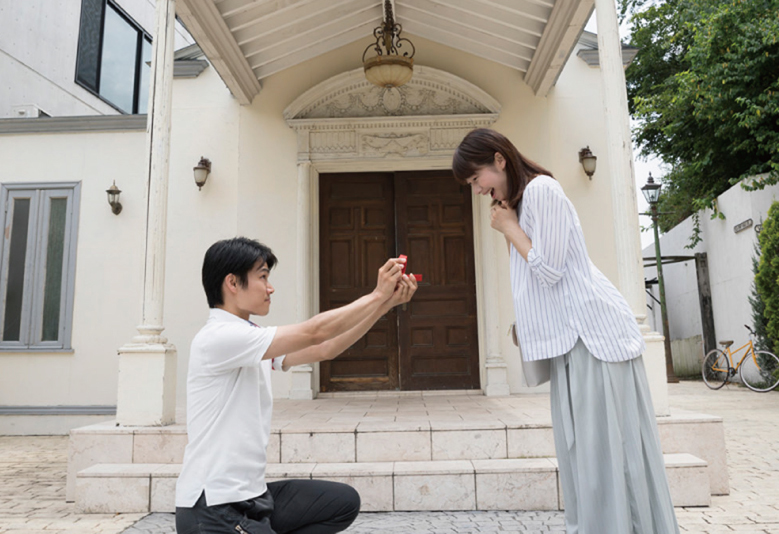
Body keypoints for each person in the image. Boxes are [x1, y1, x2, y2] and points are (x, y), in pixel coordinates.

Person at [452, 128, 680, 534]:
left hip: (595, 337)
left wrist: (509, 228)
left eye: (475, 179)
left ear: (499, 160)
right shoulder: (519, 206)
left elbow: (550, 271)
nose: (475, 190)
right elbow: (529, 280)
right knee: (584, 456)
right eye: (471, 183)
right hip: (573, 343)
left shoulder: (543, 191)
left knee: (608, 453)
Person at [175, 237, 417, 534]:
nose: (270, 287)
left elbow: (325, 348)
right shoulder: (219, 337)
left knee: (341, 502)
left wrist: (384, 305)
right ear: (233, 283)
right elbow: (315, 332)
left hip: (252, 497)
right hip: (212, 508)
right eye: (262, 277)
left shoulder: (249, 336)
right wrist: (376, 295)